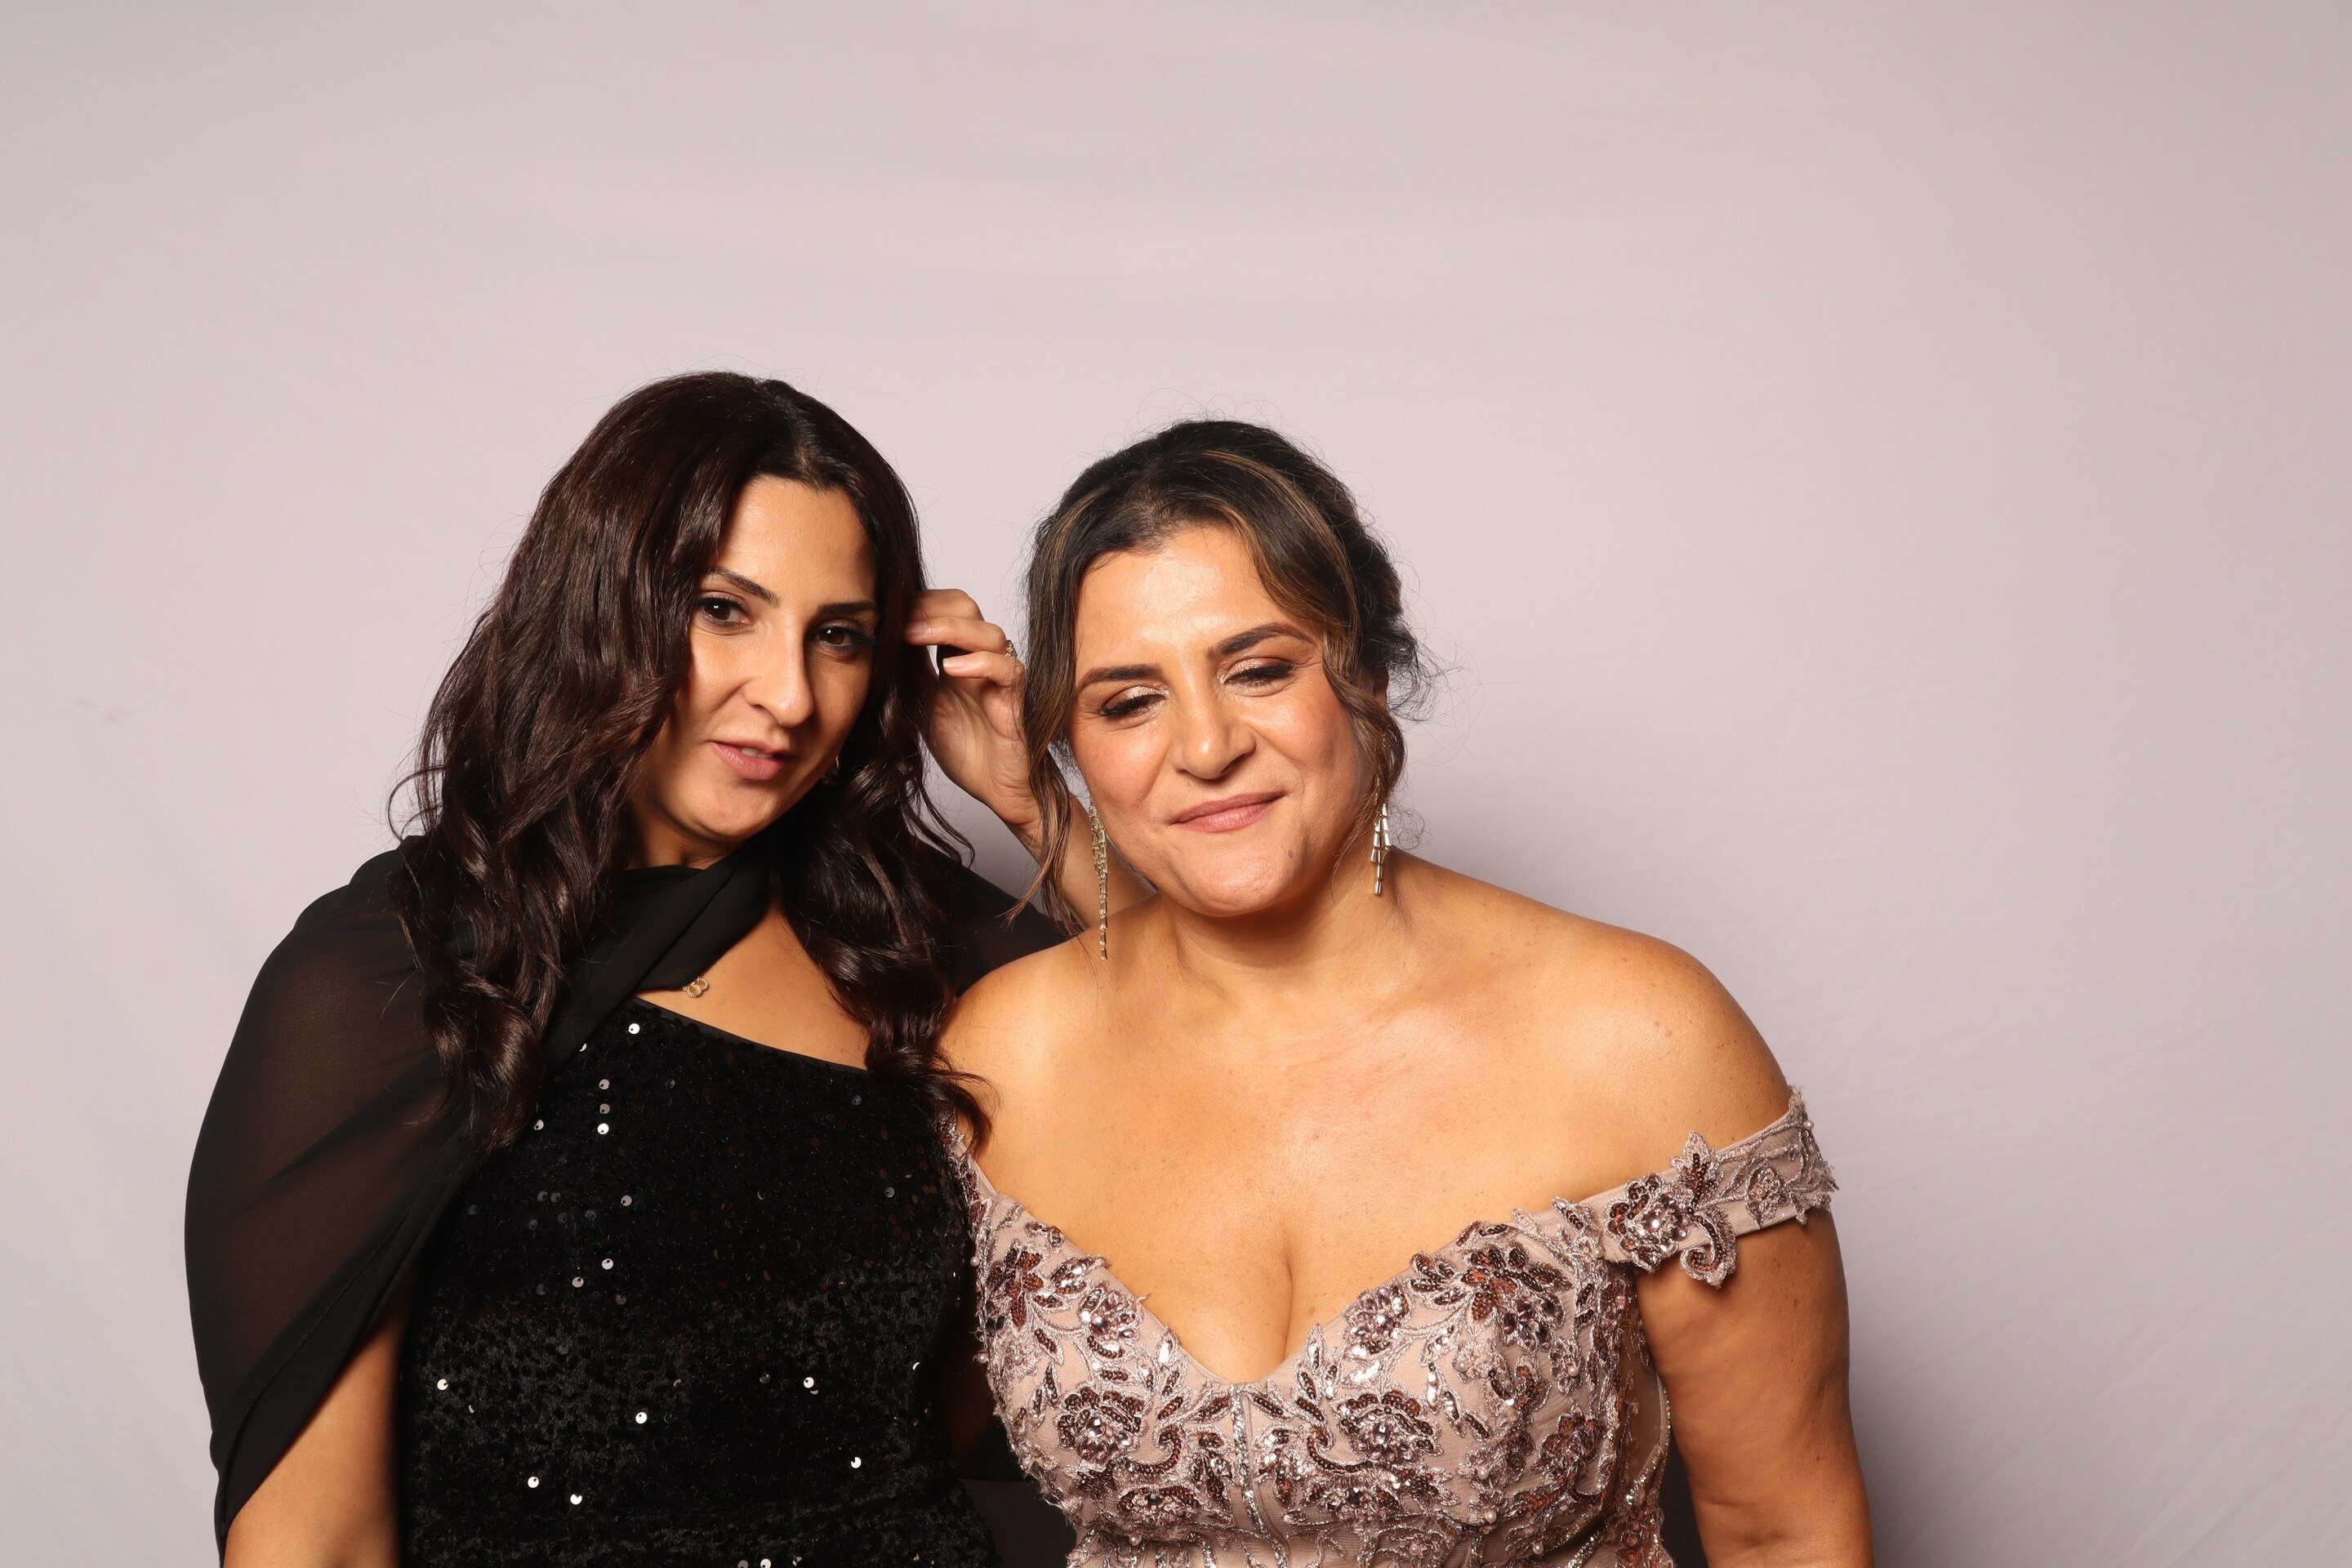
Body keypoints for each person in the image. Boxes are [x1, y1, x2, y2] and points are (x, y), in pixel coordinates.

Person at [185, 372, 1111, 1567]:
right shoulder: (395, 975)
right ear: (602, 603)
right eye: (725, 611)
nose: (788, 695)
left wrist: (1035, 805)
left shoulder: (913, 945)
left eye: (837, 636)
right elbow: (312, 1542)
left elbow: (1232, 1046)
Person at [942, 421, 1873, 1567]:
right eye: (1129, 702)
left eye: (1260, 669)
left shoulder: (1637, 1037)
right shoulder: (1006, 1051)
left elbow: (1786, 1531)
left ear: (1369, 671)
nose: (1206, 745)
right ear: (1069, 738)